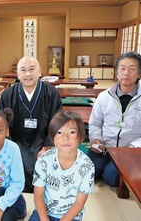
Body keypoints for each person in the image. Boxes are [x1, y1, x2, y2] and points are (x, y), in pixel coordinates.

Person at [0, 56, 62, 193]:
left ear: (40, 72)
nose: (28, 74)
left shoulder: (51, 93)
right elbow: (2, 126)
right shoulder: (7, 95)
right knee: (19, 162)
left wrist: (47, 146)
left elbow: (57, 123)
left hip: (43, 141)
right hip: (16, 142)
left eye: (32, 69)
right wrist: (11, 147)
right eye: (23, 70)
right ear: (18, 74)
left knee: (46, 163)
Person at [87, 51, 141, 187]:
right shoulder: (104, 96)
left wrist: (132, 149)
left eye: (132, 69)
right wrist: (96, 140)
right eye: (122, 68)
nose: (126, 73)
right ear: (116, 73)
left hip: (129, 151)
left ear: (139, 74)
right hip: (105, 147)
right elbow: (94, 123)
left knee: (112, 178)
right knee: (87, 172)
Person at [29, 110, 95, 221]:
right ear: (52, 137)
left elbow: (79, 202)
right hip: (43, 212)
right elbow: (38, 195)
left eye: (72, 132)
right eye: (59, 132)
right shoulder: (44, 160)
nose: (65, 137)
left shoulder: (87, 166)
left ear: (81, 137)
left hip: (70, 216)